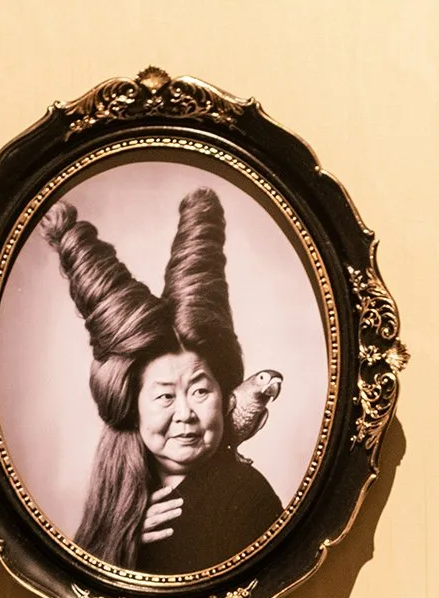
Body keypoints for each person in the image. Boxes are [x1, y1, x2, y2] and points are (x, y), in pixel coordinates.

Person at [44, 189, 285, 573]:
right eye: (164, 397)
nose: (186, 413)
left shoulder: (247, 498)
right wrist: (119, 539)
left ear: (225, 396)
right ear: (131, 408)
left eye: (201, 390)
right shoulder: (119, 495)